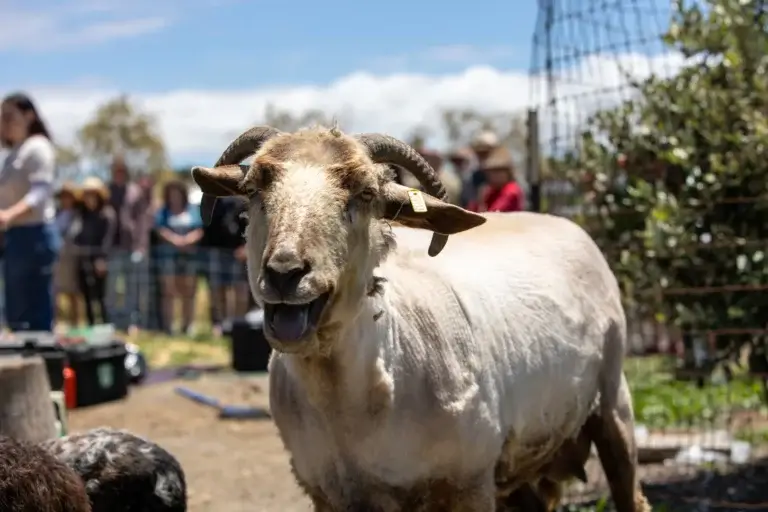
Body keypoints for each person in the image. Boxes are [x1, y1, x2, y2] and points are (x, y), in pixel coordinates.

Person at [0, 92, 60, 332]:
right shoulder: (11, 155)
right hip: (15, 237)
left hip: (36, 235)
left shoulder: (38, 148)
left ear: (29, 115)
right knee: (16, 310)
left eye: (9, 116)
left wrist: (8, 215)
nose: (4, 122)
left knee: (35, 311)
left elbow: (40, 192)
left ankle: (43, 364)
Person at [106, 155, 151, 332]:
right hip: (112, 247)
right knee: (113, 288)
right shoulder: (106, 191)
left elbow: (142, 220)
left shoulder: (135, 192)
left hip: (132, 247)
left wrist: (141, 246)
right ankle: (113, 321)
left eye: (121, 171)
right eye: (116, 171)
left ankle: (132, 321)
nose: (119, 174)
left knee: (133, 288)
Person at [154, 180, 203, 334]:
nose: (174, 196)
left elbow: (199, 229)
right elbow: (159, 229)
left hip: (189, 257)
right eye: (171, 193)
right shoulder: (163, 211)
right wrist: (175, 240)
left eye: (177, 193)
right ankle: (169, 326)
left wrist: (187, 240)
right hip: (168, 257)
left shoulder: (192, 209)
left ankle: (188, 324)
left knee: (188, 290)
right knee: (168, 290)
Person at [199, 195, 249, 336]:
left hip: (238, 251)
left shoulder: (241, 197)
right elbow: (206, 224)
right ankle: (219, 325)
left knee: (238, 291)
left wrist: (246, 246)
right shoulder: (211, 197)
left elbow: (249, 223)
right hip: (215, 250)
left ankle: (237, 324)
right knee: (217, 290)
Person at [72, 177, 116, 326]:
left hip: (99, 261)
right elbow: (77, 236)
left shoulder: (107, 214)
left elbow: (107, 239)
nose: (89, 198)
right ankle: (91, 327)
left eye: (92, 194)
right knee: (87, 297)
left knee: (101, 297)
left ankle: (104, 327)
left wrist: (101, 259)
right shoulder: (81, 215)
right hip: (82, 260)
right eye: (87, 194)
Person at [54, 182, 82, 326]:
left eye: (69, 196)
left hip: (72, 257)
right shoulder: (55, 213)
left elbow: (76, 232)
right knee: (55, 292)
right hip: (57, 257)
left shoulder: (78, 215)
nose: (66, 200)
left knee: (73, 292)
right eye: (64, 197)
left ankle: (75, 324)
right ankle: (56, 323)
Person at [467, 146, 524, 213]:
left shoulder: (511, 190)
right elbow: (471, 210)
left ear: (508, 173)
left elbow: (493, 214)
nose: (492, 176)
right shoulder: (491, 191)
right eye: (490, 172)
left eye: (497, 171)